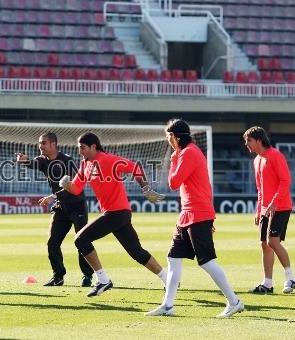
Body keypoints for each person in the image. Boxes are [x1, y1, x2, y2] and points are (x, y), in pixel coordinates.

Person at [146, 119, 244, 318]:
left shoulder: (188, 153)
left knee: (206, 262)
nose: (168, 141)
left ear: (175, 136)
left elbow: (173, 182)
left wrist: (174, 158)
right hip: (188, 214)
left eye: (169, 137)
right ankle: (168, 305)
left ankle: (234, 302)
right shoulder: (188, 152)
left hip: (197, 213)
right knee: (173, 258)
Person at [59, 132, 167, 297]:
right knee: (136, 252)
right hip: (116, 214)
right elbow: (76, 189)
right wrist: (66, 184)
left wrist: (146, 188)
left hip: (117, 212)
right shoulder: (85, 164)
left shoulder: (108, 159)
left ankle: (103, 280)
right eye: (78, 148)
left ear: (93, 146)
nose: (80, 151)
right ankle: (168, 280)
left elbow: (135, 168)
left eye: (82, 147)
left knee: (81, 239)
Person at [16, 132, 94, 287]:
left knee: (81, 241)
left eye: (43, 143)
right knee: (52, 243)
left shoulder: (67, 160)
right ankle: (58, 277)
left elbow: (75, 186)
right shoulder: (42, 160)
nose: (40, 146)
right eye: (39, 143)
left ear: (53, 144)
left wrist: (53, 196)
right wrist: (24, 161)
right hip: (61, 207)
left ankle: (88, 276)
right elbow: (32, 163)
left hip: (77, 205)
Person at [243, 126, 295, 294]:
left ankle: (291, 278)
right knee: (264, 244)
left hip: (280, 206)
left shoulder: (275, 155)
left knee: (273, 241)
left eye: (249, 141)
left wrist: (274, 201)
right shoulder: (257, 160)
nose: (247, 144)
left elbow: (285, 180)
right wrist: (258, 210)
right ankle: (267, 284)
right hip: (266, 208)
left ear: (259, 140)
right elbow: (260, 189)